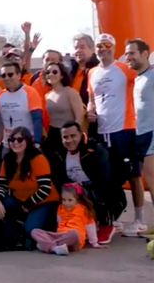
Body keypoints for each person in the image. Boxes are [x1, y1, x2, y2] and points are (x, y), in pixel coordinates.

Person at [87, 33, 144, 236]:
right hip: (103, 131)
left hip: (125, 128)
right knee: (108, 177)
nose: (103, 48)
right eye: (99, 45)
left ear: (113, 47)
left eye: (107, 45)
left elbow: (144, 76)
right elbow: (91, 99)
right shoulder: (92, 72)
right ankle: (115, 216)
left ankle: (140, 219)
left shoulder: (124, 68)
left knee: (134, 174)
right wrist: (89, 111)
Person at [47, 121, 119, 244]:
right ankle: (74, 225)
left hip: (95, 190)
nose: (69, 140)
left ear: (81, 134)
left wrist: (83, 187)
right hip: (71, 191)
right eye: (65, 137)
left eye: (73, 136)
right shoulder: (58, 152)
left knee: (97, 194)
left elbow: (105, 179)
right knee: (58, 200)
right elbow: (57, 178)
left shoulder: (95, 149)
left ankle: (105, 224)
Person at [0, 127, 59, 251]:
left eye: (20, 139)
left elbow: (45, 188)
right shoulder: (7, 159)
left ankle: (43, 227)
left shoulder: (38, 158)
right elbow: (1, 184)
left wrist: (28, 204)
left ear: (27, 141)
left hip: (43, 201)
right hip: (19, 199)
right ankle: (13, 227)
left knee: (30, 230)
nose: (15, 142)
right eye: (12, 139)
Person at [0, 62, 44, 152]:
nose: (7, 78)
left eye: (10, 74)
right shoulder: (0, 95)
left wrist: (36, 142)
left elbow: (37, 119)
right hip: (8, 144)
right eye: (3, 75)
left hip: (26, 143)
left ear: (19, 75)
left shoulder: (30, 92)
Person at [124, 38, 154, 238]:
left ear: (145, 53)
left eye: (132, 52)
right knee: (150, 182)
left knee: (153, 179)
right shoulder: (138, 78)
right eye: (127, 53)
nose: (129, 57)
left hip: (152, 133)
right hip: (141, 133)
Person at [30, 182, 103, 255]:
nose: (66, 203)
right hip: (60, 236)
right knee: (35, 231)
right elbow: (59, 223)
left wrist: (94, 243)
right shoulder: (60, 208)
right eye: (64, 200)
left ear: (77, 200)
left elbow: (90, 226)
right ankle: (55, 248)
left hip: (74, 240)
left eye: (70, 200)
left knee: (74, 233)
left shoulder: (83, 210)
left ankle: (48, 246)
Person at [43, 62, 85, 156]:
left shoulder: (70, 92)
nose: (50, 74)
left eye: (54, 72)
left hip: (69, 134)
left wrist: (74, 135)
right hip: (53, 134)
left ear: (61, 75)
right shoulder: (47, 95)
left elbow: (80, 116)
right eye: (47, 72)